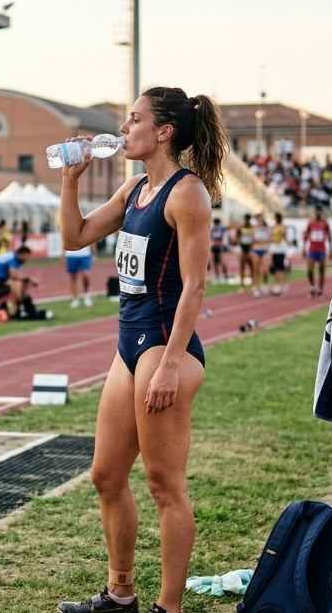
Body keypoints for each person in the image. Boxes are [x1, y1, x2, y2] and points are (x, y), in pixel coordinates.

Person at [57, 87, 224, 613]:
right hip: (128, 345)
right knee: (106, 475)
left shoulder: (186, 193)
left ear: (164, 131)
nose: (124, 130)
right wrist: (70, 179)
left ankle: (168, 607)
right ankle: (120, 592)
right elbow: (74, 236)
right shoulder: (133, 191)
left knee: (163, 484)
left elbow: (196, 287)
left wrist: (172, 363)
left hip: (165, 348)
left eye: (133, 120)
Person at [0, 245, 35, 315]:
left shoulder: (13, 257)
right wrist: (29, 279)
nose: (27, 259)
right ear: (22, 254)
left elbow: (16, 274)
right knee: (12, 287)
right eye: (27, 256)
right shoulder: (13, 259)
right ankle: (14, 307)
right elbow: (13, 276)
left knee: (1, 293)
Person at [303, 208, 332, 297]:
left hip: (322, 250)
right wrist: (303, 248)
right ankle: (312, 286)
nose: (318, 213)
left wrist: (331, 250)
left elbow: (329, 237)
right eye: (316, 211)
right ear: (314, 212)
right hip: (312, 249)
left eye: (319, 211)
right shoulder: (311, 223)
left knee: (322, 270)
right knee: (309, 270)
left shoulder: (325, 223)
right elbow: (306, 235)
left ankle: (320, 288)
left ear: (321, 212)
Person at [65, 240, 95, 308]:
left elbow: (92, 239)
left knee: (86, 275)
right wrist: (63, 254)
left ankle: (86, 296)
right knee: (73, 278)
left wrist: (94, 253)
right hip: (71, 254)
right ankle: (75, 299)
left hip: (85, 254)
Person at [268, 212, 289, 295]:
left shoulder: (282, 227)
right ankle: (278, 285)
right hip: (275, 249)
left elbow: (283, 236)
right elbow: (271, 236)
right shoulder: (274, 227)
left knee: (280, 268)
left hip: (280, 249)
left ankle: (280, 285)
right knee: (275, 267)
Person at [251, 212, 271, 296]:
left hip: (265, 250)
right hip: (255, 250)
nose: (260, 220)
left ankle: (265, 285)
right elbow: (252, 240)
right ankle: (256, 287)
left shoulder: (267, 228)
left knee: (265, 269)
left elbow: (269, 239)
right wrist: (260, 241)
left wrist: (260, 241)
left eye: (261, 218)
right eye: (258, 218)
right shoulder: (254, 228)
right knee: (256, 269)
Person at [235, 214, 255, 293]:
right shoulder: (241, 227)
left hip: (249, 249)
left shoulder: (252, 227)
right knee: (243, 268)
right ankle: (243, 286)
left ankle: (252, 285)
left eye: (248, 219)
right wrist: (240, 242)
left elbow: (254, 238)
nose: (247, 220)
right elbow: (237, 237)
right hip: (243, 249)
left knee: (251, 267)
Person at [209, 217, 228, 282]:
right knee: (215, 262)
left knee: (222, 261)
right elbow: (210, 237)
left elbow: (225, 238)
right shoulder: (212, 229)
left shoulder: (222, 229)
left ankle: (225, 276)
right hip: (214, 247)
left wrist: (223, 245)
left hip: (220, 247)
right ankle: (218, 277)